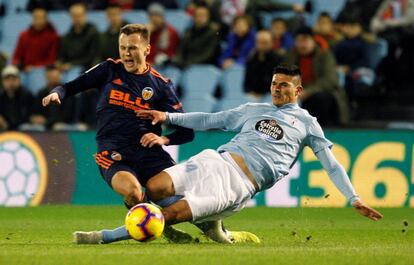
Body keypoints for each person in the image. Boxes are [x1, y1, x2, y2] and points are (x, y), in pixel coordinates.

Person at [133, 64, 383, 235]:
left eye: (284, 85)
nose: (276, 88)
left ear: (297, 91)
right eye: (275, 83)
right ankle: (207, 223)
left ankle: (110, 236)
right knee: (154, 188)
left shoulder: (307, 123)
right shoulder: (254, 109)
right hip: (217, 161)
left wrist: (354, 198)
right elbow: (210, 120)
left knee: (169, 214)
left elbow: (331, 164)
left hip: (240, 184)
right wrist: (166, 116)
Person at [43, 23, 195, 241]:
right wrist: (57, 93)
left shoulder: (161, 86)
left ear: (147, 50)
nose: (126, 53)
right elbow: (70, 86)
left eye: (132, 47)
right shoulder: (109, 69)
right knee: (133, 191)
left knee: (180, 198)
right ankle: (160, 228)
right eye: (122, 47)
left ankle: (212, 228)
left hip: (149, 153)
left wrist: (163, 138)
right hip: (113, 151)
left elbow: (187, 132)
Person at [285, 27, 349, 126]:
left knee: (321, 99)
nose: (302, 44)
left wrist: (308, 91)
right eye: (298, 41)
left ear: (313, 41)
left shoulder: (325, 55)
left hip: (321, 92)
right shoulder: (290, 56)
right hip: (297, 93)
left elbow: (330, 80)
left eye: (305, 40)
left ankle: (321, 131)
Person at [57, 2, 100, 73]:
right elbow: (62, 55)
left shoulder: (93, 33)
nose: (77, 18)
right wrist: (59, 62)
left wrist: (72, 64)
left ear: (85, 15)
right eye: (74, 16)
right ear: (70, 16)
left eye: (80, 15)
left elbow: (93, 56)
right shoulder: (66, 37)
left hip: (88, 68)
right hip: (69, 69)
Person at [12, 7, 59, 71]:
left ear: (46, 19)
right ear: (32, 19)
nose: (38, 21)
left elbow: (51, 60)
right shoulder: (23, 35)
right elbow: (16, 57)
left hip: (42, 71)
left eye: (41, 18)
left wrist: (34, 67)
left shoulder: (53, 37)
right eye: (36, 18)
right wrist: (19, 65)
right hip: (24, 70)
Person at [175, 4, 220, 68]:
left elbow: (208, 55)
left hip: (203, 67)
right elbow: (181, 50)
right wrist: (180, 62)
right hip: (185, 65)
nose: (199, 18)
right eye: (197, 15)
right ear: (193, 17)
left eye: (202, 16)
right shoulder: (188, 32)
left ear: (208, 17)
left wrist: (189, 64)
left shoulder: (213, 34)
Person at [244, 30, 283, 100]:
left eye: (265, 43)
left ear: (271, 43)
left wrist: (262, 93)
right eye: (258, 42)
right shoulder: (251, 59)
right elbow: (246, 83)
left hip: (271, 94)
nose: (261, 45)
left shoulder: (278, 60)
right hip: (253, 95)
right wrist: (251, 92)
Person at [0, 66, 33, 131]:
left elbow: (31, 116)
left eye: (13, 79)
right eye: (8, 80)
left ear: (19, 80)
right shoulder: (1, 96)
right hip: (4, 128)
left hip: (22, 128)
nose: (11, 83)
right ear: (3, 82)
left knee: (26, 127)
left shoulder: (27, 95)